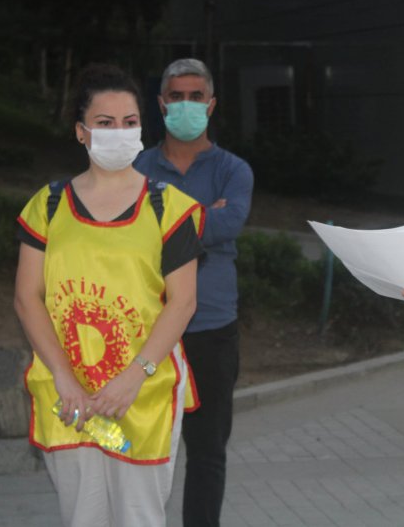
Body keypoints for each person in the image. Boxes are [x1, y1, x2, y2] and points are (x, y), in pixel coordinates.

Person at [14, 63, 204, 526]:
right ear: (81, 132)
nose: (119, 132)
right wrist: (63, 376)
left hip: (143, 390)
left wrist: (134, 377)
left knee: (140, 516)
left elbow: (183, 303)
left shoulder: (169, 208)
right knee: (81, 515)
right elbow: (27, 297)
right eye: (105, 122)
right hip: (69, 393)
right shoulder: (48, 205)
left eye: (129, 122)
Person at [134, 58, 253, 527]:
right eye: (177, 97)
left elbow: (229, 224)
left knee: (207, 452)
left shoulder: (234, 170)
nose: (187, 105)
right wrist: (203, 215)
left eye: (196, 97)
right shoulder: (136, 166)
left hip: (211, 330)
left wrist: (162, 221)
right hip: (147, 329)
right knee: (140, 445)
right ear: (161, 104)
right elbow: (127, 234)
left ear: (212, 104)